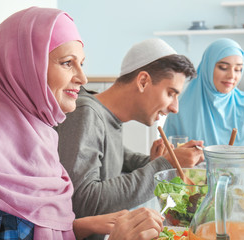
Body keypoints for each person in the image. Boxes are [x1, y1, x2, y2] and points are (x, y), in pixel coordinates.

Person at [0, 7, 163, 240]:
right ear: (23, 69)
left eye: (81, 64)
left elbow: (33, 230)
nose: (82, 79)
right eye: (66, 63)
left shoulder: (42, 141)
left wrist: (81, 226)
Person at [56, 38, 203, 231]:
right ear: (143, 81)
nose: (175, 107)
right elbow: (84, 201)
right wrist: (166, 164)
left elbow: (119, 156)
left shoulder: (104, 116)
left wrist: (164, 160)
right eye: (170, 93)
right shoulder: (86, 114)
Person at [163, 38, 244, 163]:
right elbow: (166, 159)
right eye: (223, 67)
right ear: (207, 68)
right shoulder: (180, 107)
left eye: (238, 69)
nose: (232, 75)